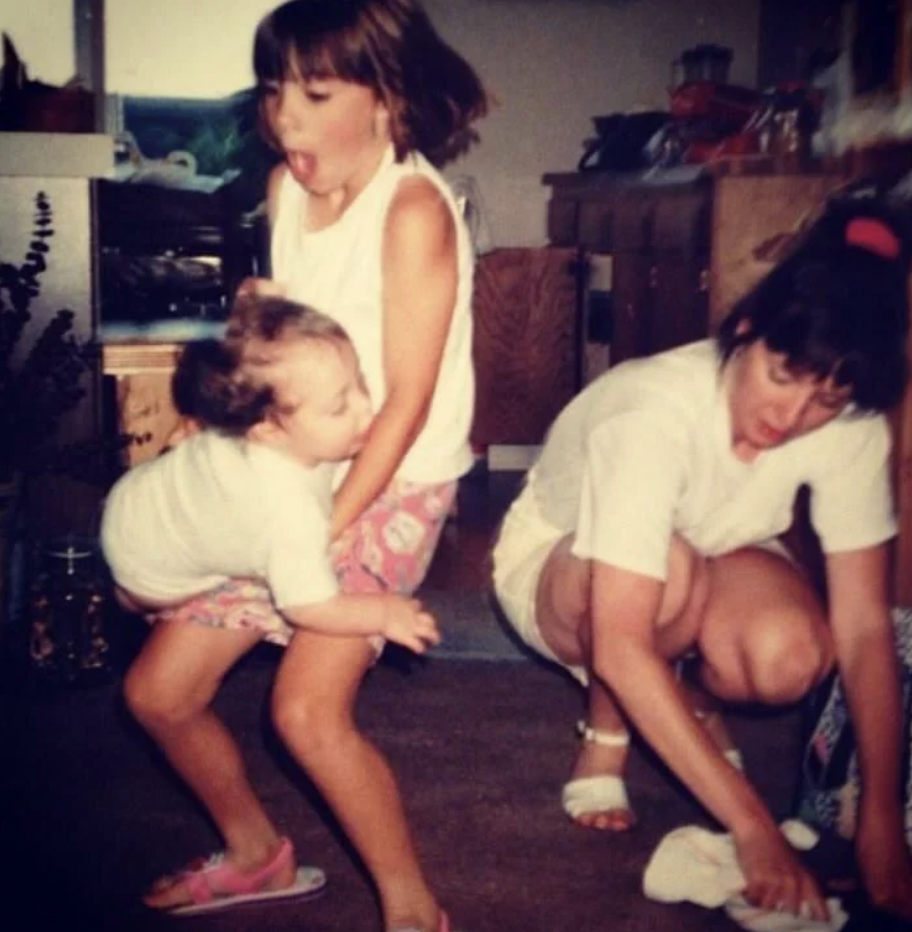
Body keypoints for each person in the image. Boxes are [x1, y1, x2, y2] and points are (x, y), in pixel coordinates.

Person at [123, 3, 488, 931]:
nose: (285, 117)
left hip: (390, 475)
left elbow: (402, 404)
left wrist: (314, 538)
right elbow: (291, 342)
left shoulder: (411, 212)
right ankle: (255, 852)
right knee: (157, 694)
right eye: (277, 88)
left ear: (385, 99)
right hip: (297, 460)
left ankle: (414, 908)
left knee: (305, 714)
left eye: (316, 93)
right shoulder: (288, 188)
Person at [492, 198, 912, 923]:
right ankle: (609, 732)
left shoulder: (849, 426)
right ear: (747, 331)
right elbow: (620, 645)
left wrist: (880, 813)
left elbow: (867, 629)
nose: (792, 416)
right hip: (558, 566)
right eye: (783, 376)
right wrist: (753, 831)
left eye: (826, 399)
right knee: (668, 579)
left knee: (787, 657)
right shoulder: (653, 412)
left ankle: (684, 703)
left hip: (721, 544)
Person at [103, 295, 439, 656]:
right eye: (339, 406)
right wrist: (384, 613)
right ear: (268, 430)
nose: (365, 408)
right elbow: (308, 606)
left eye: (360, 382)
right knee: (136, 597)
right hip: (147, 573)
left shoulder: (246, 420)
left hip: (135, 494)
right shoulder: (291, 513)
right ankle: (124, 604)